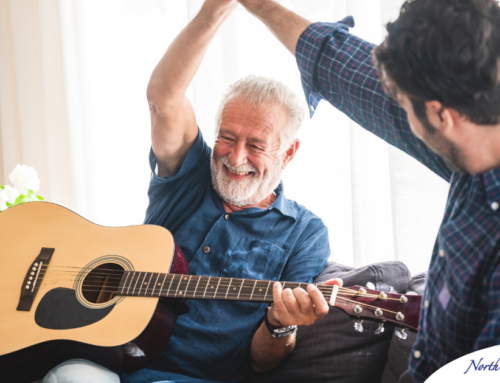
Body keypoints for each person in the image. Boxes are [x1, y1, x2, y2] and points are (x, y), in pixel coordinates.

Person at [42, 1, 341, 383]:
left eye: (256, 145)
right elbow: (163, 99)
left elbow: (263, 363)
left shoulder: (305, 233)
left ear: (289, 152)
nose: (236, 157)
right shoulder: (191, 173)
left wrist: (282, 324)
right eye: (227, 137)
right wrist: (214, 10)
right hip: (102, 360)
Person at [236, 0, 500, 382]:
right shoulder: (475, 126)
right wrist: (258, 5)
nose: (400, 114)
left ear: (443, 116)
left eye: (406, 105)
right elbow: (346, 68)